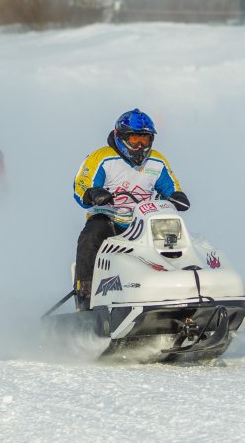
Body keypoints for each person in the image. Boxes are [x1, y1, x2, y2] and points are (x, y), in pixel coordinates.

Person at [72, 109, 190, 308]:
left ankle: (184, 285)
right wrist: (92, 193)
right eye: (135, 139)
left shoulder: (157, 161)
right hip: (110, 218)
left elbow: (171, 187)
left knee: (175, 237)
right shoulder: (102, 158)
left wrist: (177, 196)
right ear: (121, 136)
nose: (140, 146)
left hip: (144, 222)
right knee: (91, 236)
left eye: (145, 139)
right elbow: (81, 185)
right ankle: (86, 295)